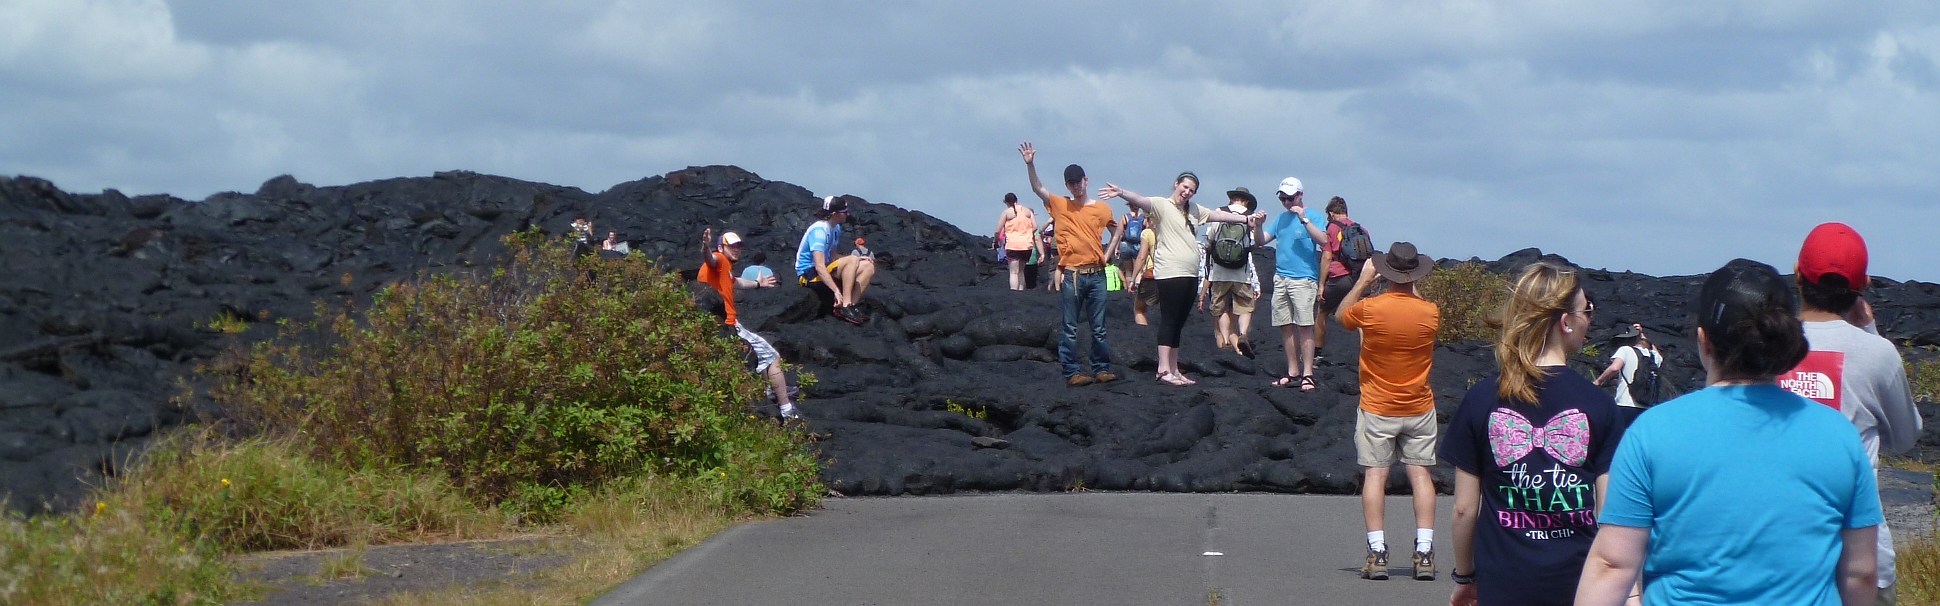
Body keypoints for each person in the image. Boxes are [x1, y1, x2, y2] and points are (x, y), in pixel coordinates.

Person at [1577, 259, 1881, 606]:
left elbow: (1613, 564)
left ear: (1703, 341)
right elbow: (1861, 573)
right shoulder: (1838, 435)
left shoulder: (1652, 432)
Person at [1441, 262, 1622, 604]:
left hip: (1503, 580)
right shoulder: (1599, 405)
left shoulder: (1481, 399)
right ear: (1565, 322)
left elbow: (1464, 509)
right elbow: (1609, 512)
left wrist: (1465, 575)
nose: (1590, 319)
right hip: (1576, 581)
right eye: (1588, 310)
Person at [1780, 222, 1923, 605]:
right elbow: (1907, 437)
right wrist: (1871, 331)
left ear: (1797, 274)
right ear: (1863, 285)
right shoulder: (1877, 354)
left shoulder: (1766, 344)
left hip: (1777, 556)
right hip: (1862, 558)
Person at [1334, 242, 1441, 581]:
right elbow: (1418, 303)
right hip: (1419, 406)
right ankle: (1424, 552)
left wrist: (1364, 281)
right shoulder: (1430, 312)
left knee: (1375, 476)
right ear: (1415, 275)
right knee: (1421, 476)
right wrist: (1411, 282)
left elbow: (1341, 316)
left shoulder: (1370, 308)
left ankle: (1377, 552)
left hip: (1379, 405)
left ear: (1385, 272)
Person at [1098, 172, 1260, 386]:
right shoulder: (1161, 205)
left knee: (1179, 323)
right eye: (1185, 187)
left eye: (1191, 190)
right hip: (1170, 273)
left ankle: (1174, 369)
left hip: (1190, 273)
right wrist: (1121, 193)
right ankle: (1163, 369)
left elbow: (1218, 215)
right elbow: (1141, 200)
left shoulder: (1193, 210)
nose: (1187, 192)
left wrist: (1245, 219)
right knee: (1169, 320)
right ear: (1177, 184)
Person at [1019, 142, 1120, 386]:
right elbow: (1037, 188)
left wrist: (1108, 254)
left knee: (1099, 327)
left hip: (1097, 274)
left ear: (1086, 180)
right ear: (1067, 185)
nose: (1075, 186)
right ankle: (1072, 371)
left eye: (1078, 182)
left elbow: (1117, 228)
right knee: (1070, 327)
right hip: (1073, 274)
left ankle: (1101, 369)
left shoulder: (1102, 208)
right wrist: (1030, 164)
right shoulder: (1061, 204)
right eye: (1071, 183)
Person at [698, 229, 797, 420]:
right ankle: (786, 409)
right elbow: (710, 259)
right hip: (728, 324)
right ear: (721, 247)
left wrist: (758, 284)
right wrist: (705, 246)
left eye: (738, 247)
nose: (736, 250)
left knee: (764, 357)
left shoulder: (724, 270)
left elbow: (737, 282)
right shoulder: (719, 259)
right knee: (773, 357)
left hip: (721, 322)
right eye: (731, 246)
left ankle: (773, 389)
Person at [1256, 178, 1331, 390]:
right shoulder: (1281, 219)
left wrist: (1304, 219)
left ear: (1300, 195)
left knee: (1304, 326)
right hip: (1281, 279)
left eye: (1290, 198)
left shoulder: (1313, 215)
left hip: (1304, 279)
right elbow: (1261, 241)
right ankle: (1293, 371)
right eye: (1283, 199)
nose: (1287, 202)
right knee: (1285, 326)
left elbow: (1324, 241)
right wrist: (1258, 227)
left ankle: (1308, 373)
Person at [1197, 186, 1262, 358]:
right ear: (1247, 201)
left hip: (1219, 272)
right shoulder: (1250, 216)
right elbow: (1254, 243)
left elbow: (1210, 237)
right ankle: (1242, 334)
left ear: (1232, 198)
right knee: (1245, 307)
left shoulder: (1220, 211)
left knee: (1221, 307)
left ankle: (1225, 340)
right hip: (1241, 272)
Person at [794, 195, 877, 326]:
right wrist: (836, 292)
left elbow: (833, 257)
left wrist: (858, 259)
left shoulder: (836, 228)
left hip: (825, 268)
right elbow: (819, 266)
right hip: (808, 274)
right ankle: (844, 306)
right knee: (852, 260)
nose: (847, 215)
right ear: (834, 214)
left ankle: (851, 305)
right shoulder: (820, 231)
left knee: (867, 265)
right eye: (844, 212)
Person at [1316, 196, 1367, 351]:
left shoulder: (1332, 228)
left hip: (1339, 277)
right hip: (1358, 278)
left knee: (1322, 311)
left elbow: (1326, 257)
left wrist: (1321, 285)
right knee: (1362, 318)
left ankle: (1316, 353)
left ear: (1331, 213)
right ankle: (1366, 352)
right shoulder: (1361, 229)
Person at [1593, 323, 1664, 427]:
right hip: (1646, 407)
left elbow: (1615, 367)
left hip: (1625, 404)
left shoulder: (1626, 350)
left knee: (1620, 438)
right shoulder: (1653, 357)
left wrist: (1598, 381)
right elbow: (1657, 354)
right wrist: (1642, 334)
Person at [994, 192, 1040, 291]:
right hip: (1026, 245)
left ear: (1006, 202)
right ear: (1016, 200)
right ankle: (1021, 291)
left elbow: (998, 231)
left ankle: (1014, 293)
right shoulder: (1027, 211)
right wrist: (1027, 233)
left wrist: (996, 241)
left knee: (1013, 272)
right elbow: (1035, 226)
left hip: (1013, 245)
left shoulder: (1007, 213)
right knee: (1021, 271)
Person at [1131, 222, 1159, 325]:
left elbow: (1141, 257)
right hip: (1172, 273)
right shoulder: (1172, 231)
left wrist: (1133, 279)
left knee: (1139, 309)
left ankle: (1143, 335)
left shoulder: (1147, 233)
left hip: (1153, 274)